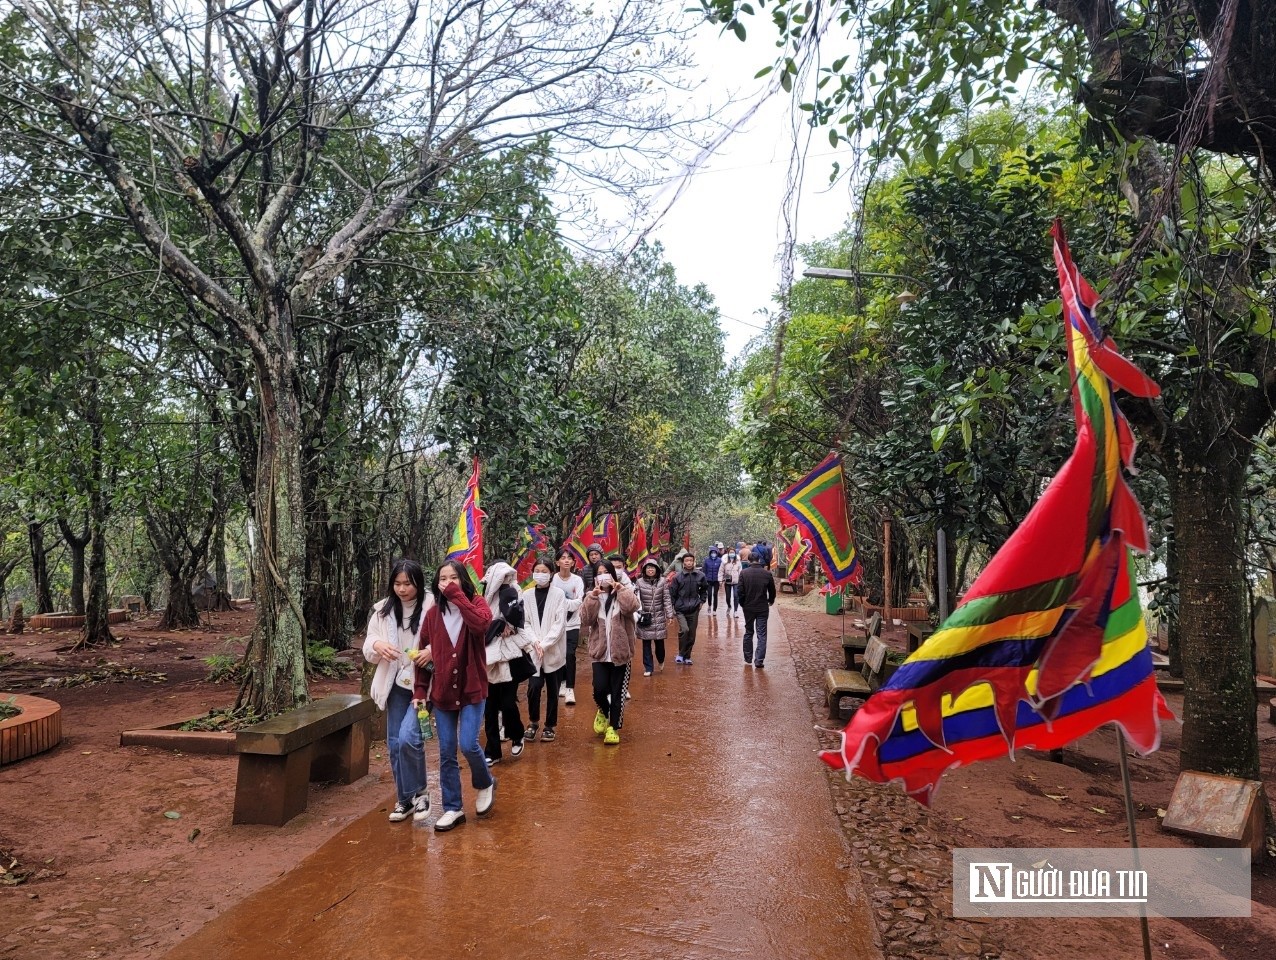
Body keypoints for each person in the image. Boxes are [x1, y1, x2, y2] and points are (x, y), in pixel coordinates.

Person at [415, 560, 494, 831]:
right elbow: (422, 655)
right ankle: (453, 808)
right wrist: (420, 690)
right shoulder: (432, 615)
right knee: (447, 751)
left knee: (468, 744)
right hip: (443, 693)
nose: (448, 582)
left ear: (463, 580)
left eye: (454, 577)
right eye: (443, 578)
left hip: (473, 689)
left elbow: (481, 627)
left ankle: (485, 782)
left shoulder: (478, 605)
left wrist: (458, 597)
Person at [362, 558, 432, 823]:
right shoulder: (382, 611)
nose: (402, 589)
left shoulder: (432, 606)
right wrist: (377, 644)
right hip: (394, 684)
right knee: (393, 745)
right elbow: (369, 643)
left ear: (418, 583)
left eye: (408, 584)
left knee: (409, 738)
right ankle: (405, 799)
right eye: (397, 583)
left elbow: (445, 639)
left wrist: (429, 652)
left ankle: (421, 793)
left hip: (422, 684)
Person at [480, 561, 534, 765]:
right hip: (487, 658)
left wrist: (507, 624)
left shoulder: (513, 593)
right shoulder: (482, 597)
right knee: (490, 708)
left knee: (507, 702)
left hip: (508, 658)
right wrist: (497, 625)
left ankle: (517, 733)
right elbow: (480, 622)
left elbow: (519, 619)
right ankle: (492, 751)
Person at [579, 559, 637, 745]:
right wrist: (592, 597)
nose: (603, 575)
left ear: (613, 574)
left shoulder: (623, 592)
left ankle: (613, 728)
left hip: (621, 653)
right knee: (599, 690)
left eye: (607, 572)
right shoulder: (592, 596)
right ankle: (603, 711)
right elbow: (585, 620)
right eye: (599, 572)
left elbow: (632, 607)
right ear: (595, 577)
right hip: (600, 653)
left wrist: (620, 590)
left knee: (618, 692)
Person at [521, 557, 569, 742]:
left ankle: (549, 725)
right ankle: (533, 721)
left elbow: (559, 624)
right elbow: (524, 622)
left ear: (551, 573)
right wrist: (535, 642)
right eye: (537, 571)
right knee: (533, 687)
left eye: (544, 571)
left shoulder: (558, 594)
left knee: (552, 689)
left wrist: (545, 644)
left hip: (553, 651)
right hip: (535, 651)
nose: (540, 574)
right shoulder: (527, 595)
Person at [553, 548, 585, 706]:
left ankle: (570, 688)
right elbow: (550, 603)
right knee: (559, 654)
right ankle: (562, 682)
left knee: (570, 654)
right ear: (557, 562)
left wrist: (562, 603)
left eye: (569, 558)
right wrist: (565, 605)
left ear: (573, 562)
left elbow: (578, 602)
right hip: (556, 624)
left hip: (573, 624)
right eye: (562, 558)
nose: (566, 560)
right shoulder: (552, 579)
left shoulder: (577, 580)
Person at [634, 558, 675, 676]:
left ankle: (661, 660)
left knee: (659, 644)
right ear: (644, 570)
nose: (650, 570)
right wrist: (637, 612)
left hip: (659, 617)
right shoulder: (639, 582)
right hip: (645, 617)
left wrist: (670, 615)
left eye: (652, 568)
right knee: (646, 644)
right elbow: (637, 599)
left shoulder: (663, 582)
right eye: (648, 568)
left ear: (656, 569)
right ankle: (648, 668)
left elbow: (666, 599)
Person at [737, 549, 777, 668]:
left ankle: (748, 657)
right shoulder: (767, 574)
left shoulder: (744, 573)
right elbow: (772, 591)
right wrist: (771, 601)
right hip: (762, 607)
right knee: (762, 634)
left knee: (749, 631)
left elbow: (740, 591)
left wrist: (742, 603)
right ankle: (759, 660)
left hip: (748, 607)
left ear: (749, 560)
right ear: (759, 560)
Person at [669, 552, 708, 664]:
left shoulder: (700, 575)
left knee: (692, 634)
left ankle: (687, 656)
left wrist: (702, 601)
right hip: (680, 609)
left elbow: (704, 590)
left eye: (691, 560)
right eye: (687, 561)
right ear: (683, 563)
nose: (689, 563)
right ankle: (681, 654)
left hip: (694, 609)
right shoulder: (677, 577)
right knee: (685, 630)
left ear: (694, 561)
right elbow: (672, 593)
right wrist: (672, 608)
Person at [721, 549, 742, 618]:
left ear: (735, 553)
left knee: (736, 596)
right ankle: (729, 606)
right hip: (728, 581)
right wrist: (720, 580)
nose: (732, 554)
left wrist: (741, 580)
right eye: (730, 552)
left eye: (733, 552)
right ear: (728, 553)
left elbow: (740, 571)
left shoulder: (738, 561)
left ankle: (735, 611)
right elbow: (721, 571)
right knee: (728, 597)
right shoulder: (724, 561)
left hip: (736, 581)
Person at [703, 547, 722, 613]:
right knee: (709, 594)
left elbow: (721, 570)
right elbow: (704, 570)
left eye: (714, 553)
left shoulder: (719, 560)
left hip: (716, 580)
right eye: (712, 553)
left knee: (715, 594)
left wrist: (721, 579)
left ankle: (714, 609)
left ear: (716, 553)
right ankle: (709, 605)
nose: (713, 554)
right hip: (708, 580)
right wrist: (705, 578)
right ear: (710, 553)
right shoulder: (706, 560)